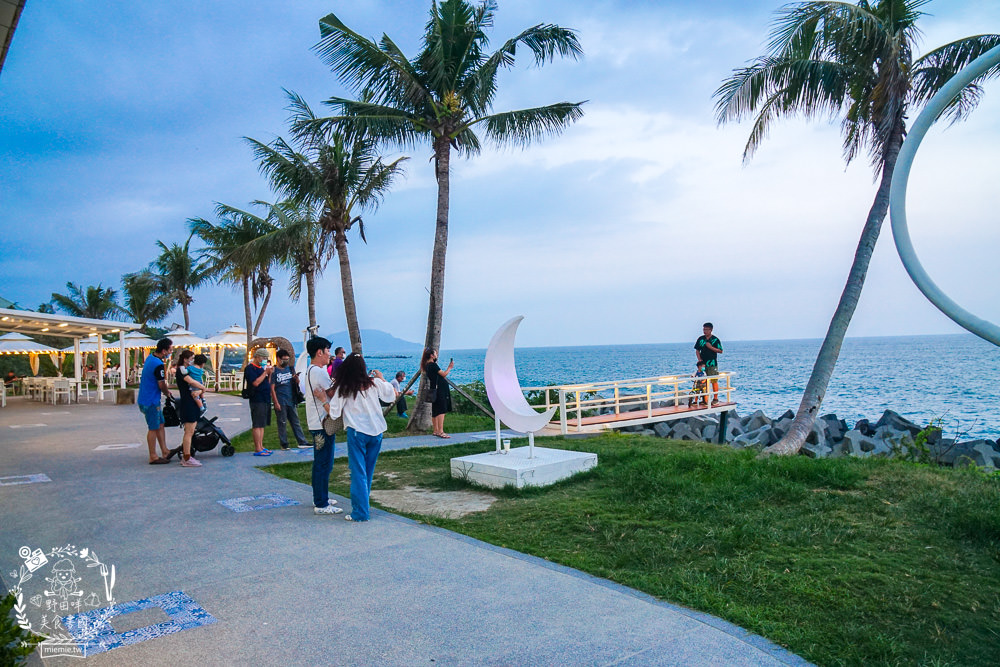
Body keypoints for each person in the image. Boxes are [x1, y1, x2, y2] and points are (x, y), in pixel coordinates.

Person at [329, 354, 397, 522]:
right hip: (377, 431)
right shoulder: (374, 383)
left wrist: (324, 400)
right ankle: (363, 506)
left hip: (358, 432)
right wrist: (382, 378)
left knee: (358, 472)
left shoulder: (344, 387)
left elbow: (334, 412)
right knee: (368, 471)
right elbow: (391, 395)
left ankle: (360, 512)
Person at [303, 337, 342, 515]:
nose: (329, 355)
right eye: (327, 351)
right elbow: (333, 392)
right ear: (319, 352)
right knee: (323, 462)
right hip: (322, 424)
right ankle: (321, 503)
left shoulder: (310, 370)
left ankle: (320, 496)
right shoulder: (319, 372)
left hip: (316, 422)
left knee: (322, 462)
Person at [137, 338, 174, 465]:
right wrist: (167, 393)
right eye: (170, 350)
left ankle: (165, 450)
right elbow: (161, 383)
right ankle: (153, 456)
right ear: (164, 351)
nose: (171, 352)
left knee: (160, 424)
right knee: (153, 427)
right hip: (150, 401)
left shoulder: (150, 358)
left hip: (146, 398)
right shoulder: (158, 364)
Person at [270, 348, 308, 450]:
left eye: (287, 359)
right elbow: (272, 388)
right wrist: (276, 402)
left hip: (291, 399)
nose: (286, 361)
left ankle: (302, 441)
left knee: (295, 421)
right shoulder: (274, 371)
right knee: (282, 422)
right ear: (278, 359)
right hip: (280, 400)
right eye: (284, 359)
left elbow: (296, 383)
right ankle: (284, 443)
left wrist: (296, 379)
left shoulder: (290, 369)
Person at [174, 350, 205, 467]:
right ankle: (186, 457)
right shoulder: (181, 371)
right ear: (185, 359)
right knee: (189, 431)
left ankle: (187, 456)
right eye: (191, 358)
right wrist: (203, 388)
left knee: (191, 431)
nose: (193, 361)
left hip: (192, 402)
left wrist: (201, 390)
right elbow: (192, 382)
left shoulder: (188, 370)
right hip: (187, 403)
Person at [244, 348, 274, 456]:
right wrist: (265, 372)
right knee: (257, 424)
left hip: (265, 398)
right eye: (263, 357)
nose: (264, 360)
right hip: (257, 399)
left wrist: (269, 374)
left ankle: (261, 446)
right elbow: (256, 383)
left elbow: (266, 382)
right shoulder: (250, 369)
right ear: (257, 357)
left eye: (266, 358)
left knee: (262, 424)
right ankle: (257, 448)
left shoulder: (261, 369)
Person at [421, 348, 454, 438]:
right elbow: (444, 374)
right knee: (441, 409)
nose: (437, 355)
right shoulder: (433, 365)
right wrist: (449, 368)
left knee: (435, 409)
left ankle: (436, 430)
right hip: (439, 389)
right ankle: (440, 431)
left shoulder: (427, 365)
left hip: (434, 388)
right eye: (435, 353)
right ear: (432, 355)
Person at [694, 322, 724, 405]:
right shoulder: (701, 339)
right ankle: (705, 399)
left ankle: (715, 398)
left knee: (713, 380)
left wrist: (711, 347)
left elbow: (720, 351)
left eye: (707, 329)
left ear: (711, 330)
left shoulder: (715, 339)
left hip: (712, 363)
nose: (705, 331)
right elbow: (697, 350)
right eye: (704, 329)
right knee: (702, 381)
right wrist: (699, 359)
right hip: (702, 364)